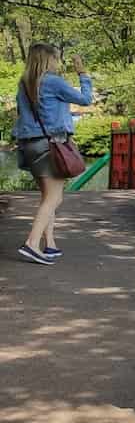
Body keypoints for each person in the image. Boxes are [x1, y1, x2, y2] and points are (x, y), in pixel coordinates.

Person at [13, 43, 93, 265]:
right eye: (55, 59)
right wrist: (82, 73)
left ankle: (50, 243)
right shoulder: (52, 81)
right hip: (50, 145)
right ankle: (31, 243)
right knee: (54, 198)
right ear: (48, 60)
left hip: (29, 145)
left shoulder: (24, 83)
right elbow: (86, 100)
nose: (57, 62)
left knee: (47, 196)